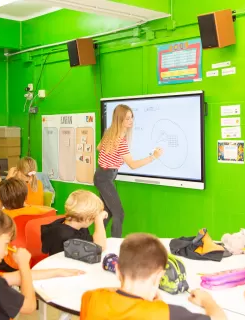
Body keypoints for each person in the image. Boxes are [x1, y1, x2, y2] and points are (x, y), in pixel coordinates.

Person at [0, 206, 84, 320]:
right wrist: (24, 265)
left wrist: (57, 272)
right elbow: (29, 306)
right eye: (6, 244)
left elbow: (17, 276)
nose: (6, 252)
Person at [80, 233, 226, 320]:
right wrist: (207, 300)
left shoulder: (91, 297)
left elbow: (110, 295)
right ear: (160, 276)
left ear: (117, 270)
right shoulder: (167, 313)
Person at [95, 104, 163, 237]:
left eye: (131, 117)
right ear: (119, 120)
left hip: (102, 175)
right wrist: (153, 157)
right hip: (105, 177)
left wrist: (111, 156)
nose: (131, 121)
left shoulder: (109, 133)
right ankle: (115, 243)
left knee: (107, 212)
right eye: (127, 119)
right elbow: (132, 165)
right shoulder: (120, 141)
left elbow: (99, 147)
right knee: (119, 213)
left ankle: (97, 240)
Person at [0, 178, 52, 272]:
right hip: (41, 259)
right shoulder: (45, 211)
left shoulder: (1, 217)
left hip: (13, 262)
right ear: (26, 196)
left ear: (1, 199)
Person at [41, 190, 107, 256]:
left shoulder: (68, 224)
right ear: (87, 219)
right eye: (94, 218)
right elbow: (100, 247)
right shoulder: (67, 236)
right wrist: (99, 220)